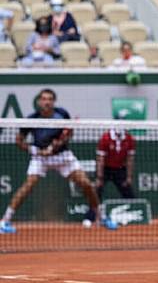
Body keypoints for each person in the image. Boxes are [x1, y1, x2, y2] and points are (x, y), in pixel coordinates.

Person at [0, 89, 117, 234]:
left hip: (62, 156)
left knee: (86, 184)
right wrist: (36, 151)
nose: (47, 102)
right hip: (40, 158)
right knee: (27, 186)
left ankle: (101, 217)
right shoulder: (32, 119)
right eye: (43, 99)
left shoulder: (62, 114)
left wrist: (60, 143)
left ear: (53, 102)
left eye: (49, 99)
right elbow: (19, 140)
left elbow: (69, 132)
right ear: (39, 102)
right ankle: (5, 221)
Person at [95, 127, 136, 200]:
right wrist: (99, 177)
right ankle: (93, 210)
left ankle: (132, 209)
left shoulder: (129, 138)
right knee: (97, 190)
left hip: (120, 169)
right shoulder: (105, 138)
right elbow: (100, 160)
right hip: (106, 169)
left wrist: (129, 176)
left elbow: (130, 159)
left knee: (128, 192)